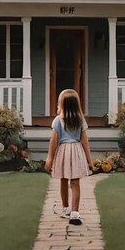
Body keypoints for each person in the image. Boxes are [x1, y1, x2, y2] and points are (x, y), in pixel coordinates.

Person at [44, 88, 94, 225]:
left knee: (63, 181)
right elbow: (85, 142)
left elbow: (53, 141)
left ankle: (66, 208)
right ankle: (75, 212)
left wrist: (49, 158)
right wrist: (90, 161)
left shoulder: (57, 121)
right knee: (75, 183)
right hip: (76, 151)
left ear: (62, 104)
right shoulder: (80, 120)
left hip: (63, 152)